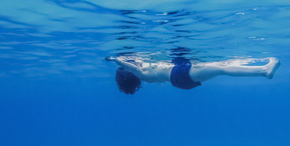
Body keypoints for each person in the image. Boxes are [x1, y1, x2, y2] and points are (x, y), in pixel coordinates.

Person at [105, 55, 280, 94]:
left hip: (180, 80)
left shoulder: (145, 74)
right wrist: (115, 60)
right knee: (221, 68)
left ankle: (263, 69)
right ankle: (264, 70)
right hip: (180, 74)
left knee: (220, 67)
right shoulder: (141, 73)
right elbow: (130, 66)